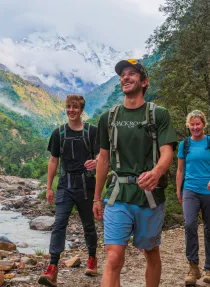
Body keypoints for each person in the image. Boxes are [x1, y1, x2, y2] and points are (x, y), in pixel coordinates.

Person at [93, 59, 177, 287]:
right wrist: (96, 197)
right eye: (122, 74)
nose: (125, 77)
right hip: (118, 194)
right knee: (113, 257)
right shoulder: (108, 118)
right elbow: (103, 159)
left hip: (149, 196)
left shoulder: (158, 114)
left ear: (144, 81)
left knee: (150, 252)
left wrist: (157, 172)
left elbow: (166, 152)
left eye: (131, 73)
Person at [38, 94, 99, 287]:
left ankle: (92, 258)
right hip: (65, 184)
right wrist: (49, 187)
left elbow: (102, 155)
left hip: (86, 185)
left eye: (75, 107)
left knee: (88, 225)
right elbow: (53, 160)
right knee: (59, 224)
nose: (71, 110)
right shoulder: (59, 133)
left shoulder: (92, 132)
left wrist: (96, 162)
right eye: (68, 107)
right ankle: (53, 268)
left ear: (81, 110)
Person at [176, 110, 210, 285]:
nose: (195, 127)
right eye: (192, 124)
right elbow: (180, 169)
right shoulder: (185, 144)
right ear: (188, 125)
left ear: (203, 124)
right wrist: (179, 189)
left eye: (198, 124)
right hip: (190, 189)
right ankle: (193, 266)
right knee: (189, 225)